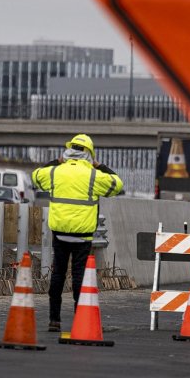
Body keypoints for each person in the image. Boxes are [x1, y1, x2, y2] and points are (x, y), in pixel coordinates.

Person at [32, 134, 124, 332]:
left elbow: (36, 176)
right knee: (79, 276)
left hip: (59, 231)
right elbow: (117, 185)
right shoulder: (93, 175)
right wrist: (99, 166)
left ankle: (54, 320)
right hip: (83, 234)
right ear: (90, 154)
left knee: (57, 274)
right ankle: (79, 319)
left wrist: (56, 162)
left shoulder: (56, 172)